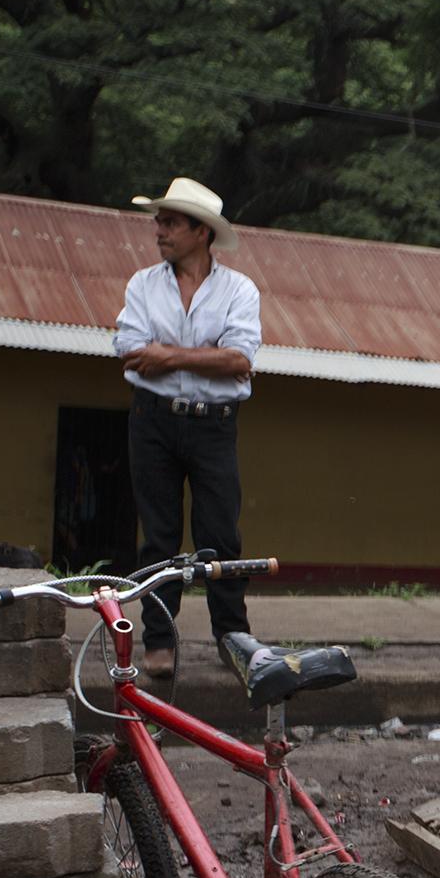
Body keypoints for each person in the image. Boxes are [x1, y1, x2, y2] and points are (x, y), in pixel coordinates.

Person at [112, 177, 262, 678]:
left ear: (202, 232)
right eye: (160, 220)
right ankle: (159, 639)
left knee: (220, 532)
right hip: (151, 419)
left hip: (214, 425)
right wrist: (204, 358)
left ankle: (232, 637)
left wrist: (169, 355)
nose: (160, 230)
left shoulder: (239, 289)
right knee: (158, 535)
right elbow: (132, 355)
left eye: (171, 222)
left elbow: (239, 360)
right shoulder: (142, 284)